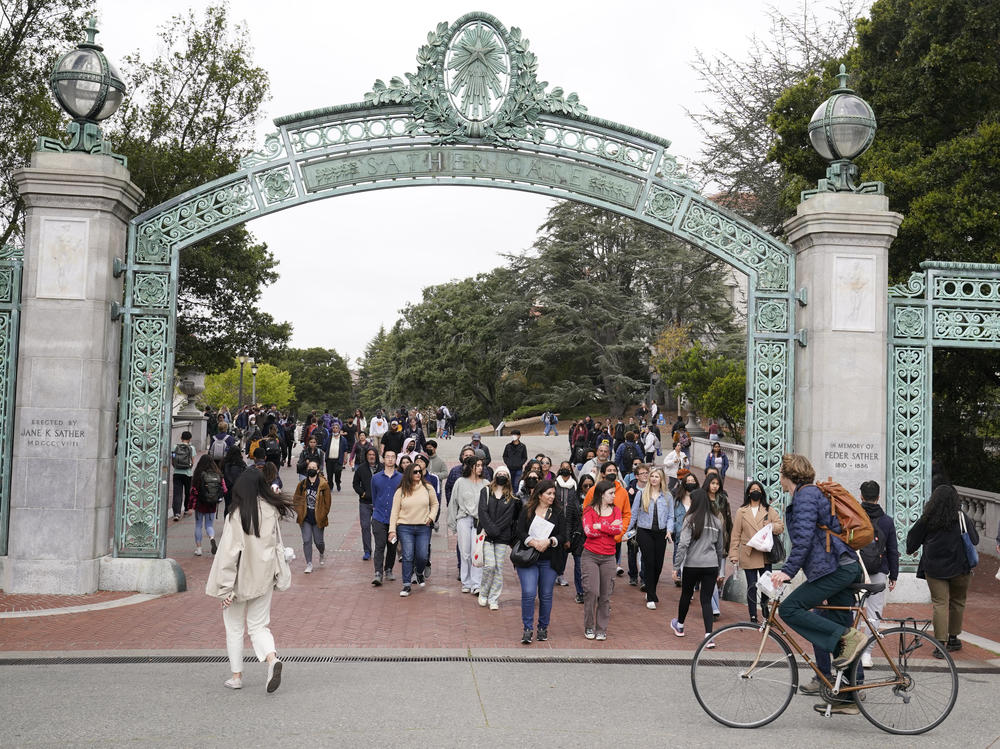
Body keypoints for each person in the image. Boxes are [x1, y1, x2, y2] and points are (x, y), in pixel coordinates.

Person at [769, 454, 867, 714]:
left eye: (781, 474)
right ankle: (850, 695)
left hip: (837, 569)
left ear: (789, 476)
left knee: (789, 610)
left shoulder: (805, 497)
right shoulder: (807, 495)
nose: (779, 479)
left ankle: (848, 638)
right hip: (839, 566)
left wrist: (786, 572)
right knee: (838, 625)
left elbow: (802, 540)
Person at [205, 464, 291, 692]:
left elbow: (228, 553)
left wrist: (224, 589)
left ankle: (236, 676)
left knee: (234, 628)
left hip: (238, 581)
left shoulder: (237, 514)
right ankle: (272, 659)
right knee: (259, 626)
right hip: (264, 579)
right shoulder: (272, 511)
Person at [906, 483, 978, 654]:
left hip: (935, 568)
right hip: (960, 567)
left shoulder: (928, 518)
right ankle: (953, 638)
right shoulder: (961, 517)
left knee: (940, 603)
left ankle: (940, 644)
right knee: (958, 602)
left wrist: (912, 549)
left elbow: (912, 541)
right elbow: (974, 540)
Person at [670, 488, 726, 645]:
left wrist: (676, 566)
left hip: (692, 564)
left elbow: (683, 544)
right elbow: (720, 548)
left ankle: (680, 625)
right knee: (706, 600)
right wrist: (719, 569)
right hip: (711, 565)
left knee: (686, 596)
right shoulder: (716, 521)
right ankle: (709, 636)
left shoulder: (690, 519)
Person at [513, 480, 566, 644]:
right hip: (528, 558)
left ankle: (543, 627)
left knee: (546, 594)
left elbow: (563, 535)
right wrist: (532, 541)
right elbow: (519, 531)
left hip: (549, 559)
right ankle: (527, 628)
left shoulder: (557, 512)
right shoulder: (527, 509)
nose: (552, 496)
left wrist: (549, 542)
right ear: (540, 494)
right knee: (529, 593)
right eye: (549, 493)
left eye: (553, 493)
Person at [728, 480, 784, 623]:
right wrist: (734, 554)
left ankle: (765, 610)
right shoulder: (742, 511)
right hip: (749, 553)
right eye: (752, 489)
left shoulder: (768, 509)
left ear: (762, 493)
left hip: (765, 554)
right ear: (748, 493)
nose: (755, 491)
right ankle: (753, 615)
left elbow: (780, 526)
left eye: (758, 489)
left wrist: (771, 525)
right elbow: (736, 534)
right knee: (752, 586)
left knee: (766, 585)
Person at [858, 480, 899, 667]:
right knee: (874, 613)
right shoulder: (887, 521)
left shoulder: (855, 516)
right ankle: (867, 653)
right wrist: (894, 575)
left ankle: (854, 650)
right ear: (878, 497)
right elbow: (892, 550)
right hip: (879, 570)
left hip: (857, 569)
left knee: (853, 612)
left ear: (861, 496)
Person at [388, 463, 438, 597]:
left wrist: (431, 517)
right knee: (408, 555)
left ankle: (419, 572)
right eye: (415, 472)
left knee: (422, 555)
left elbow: (435, 504)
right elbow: (394, 511)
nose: (418, 474)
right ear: (409, 473)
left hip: (423, 527)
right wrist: (392, 530)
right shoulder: (401, 491)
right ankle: (406, 584)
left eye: (419, 471)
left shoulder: (428, 488)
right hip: (405, 527)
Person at [581, 479, 622, 640]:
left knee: (605, 594)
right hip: (590, 554)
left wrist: (600, 526)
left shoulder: (616, 511)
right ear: (601, 494)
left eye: (614, 493)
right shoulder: (589, 510)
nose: (613, 496)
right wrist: (608, 528)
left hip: (609, 556)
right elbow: (589, 531)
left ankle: (601, 628)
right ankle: (589, 626)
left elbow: (618, 529)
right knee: (591, 591)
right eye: (611, 493)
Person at [627, 467, 673, 609]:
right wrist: (625, 532)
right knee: (649, 562)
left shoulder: (667, 496)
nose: (653, 478)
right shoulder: (641, 494)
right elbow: (633, 514)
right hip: (644, 531)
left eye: (656, 476)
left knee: (658, 565)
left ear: (661, 479)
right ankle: (651, 596)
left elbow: (671, 515)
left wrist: (669, 530)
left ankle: (651, 590)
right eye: (652, 476)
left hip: (661, 532)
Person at [477, 465, 519, 609]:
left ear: (508, 478)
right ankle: (483, 592)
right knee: (490, 565)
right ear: (494, 476)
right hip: (486, 535)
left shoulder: (512, 498)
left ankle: (494, 598)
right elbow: (482, 512)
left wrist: (495, 530)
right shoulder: (486, 491)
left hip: (502, 537)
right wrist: (490, 530)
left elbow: (507, 519)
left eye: (504, 474)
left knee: (499, 568)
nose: (502, 476)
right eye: (499, 473)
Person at [449, 455, 485, 595]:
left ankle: (476, 584)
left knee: (476, 552)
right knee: (465, 552)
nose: (480, 468)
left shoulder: (485, 483)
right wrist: (452, 523)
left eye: (482, 465)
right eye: (478, 465)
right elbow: (453, 503)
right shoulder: (460, 482)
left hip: (479, 521)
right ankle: (466, 581)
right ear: (471, 467)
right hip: (463, 519)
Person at [292, 460, 331, 574]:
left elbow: (327, 503)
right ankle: (309, 563)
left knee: (319, 541)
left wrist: (323, 514)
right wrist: (300, 511)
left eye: (314, 467)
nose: (311, 469)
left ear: (318, 470)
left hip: (318, 518)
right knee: (306, 540)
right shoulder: (302, 484)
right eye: (309, 467)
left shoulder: (324, 485)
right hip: (305, 518)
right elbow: (296, 499)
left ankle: (321, 552)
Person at [370, 450, 402, 586]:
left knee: (392, 545)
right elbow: (374, 495)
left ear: (396, 459)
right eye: (387, 457)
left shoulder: (401, 478)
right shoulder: (376, 478)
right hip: (378, 516)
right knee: (379, 545)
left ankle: (389, 568)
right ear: (383, 459)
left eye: (392, 457)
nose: (390, 459)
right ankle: (378, 572)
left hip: (395, 519)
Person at [704, 473, 732, 619]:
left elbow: (729, 523)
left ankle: (713, 605)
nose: (714, 486)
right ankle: (714, 607)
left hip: (721, 542)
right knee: (709, 576)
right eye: (712, 483)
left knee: (718, 577)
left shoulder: (723, 500)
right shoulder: (702, 499)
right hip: (705, 543)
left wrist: (729, 543)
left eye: (717, 483)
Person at [552, 461, 582, 589]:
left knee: (565, 548)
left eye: (567, 468)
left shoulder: (575, 485)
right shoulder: (555, 483)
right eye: (563, 467)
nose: (565, 470)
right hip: (557, 520)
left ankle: (560, 574)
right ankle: (554, 573)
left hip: (570, 520)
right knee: (555, 548)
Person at [190, 454, 226, 556]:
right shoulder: (218, 474)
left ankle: (199, 549)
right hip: (212, 504)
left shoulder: (198, 474)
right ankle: (212, 538)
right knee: (209, 525)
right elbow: (225, 489)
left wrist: (191, 504)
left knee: (198, 525)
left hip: (200, 503)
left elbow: (194, 490)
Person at [352, 447, 380, 561]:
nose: (371, 457)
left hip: (379, 503)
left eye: (373, 454)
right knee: (365, 527)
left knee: (378, 528)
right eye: (369, 455)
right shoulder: (361, 468)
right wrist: (362, 493)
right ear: (366, 456)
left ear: (376, 456)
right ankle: (367, 550)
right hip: (365, 503)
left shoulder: (382, 468)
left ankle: (380, 549)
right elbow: (355, 484)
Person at [170, 430, 195, 522]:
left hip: (177, 473)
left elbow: (172, 459)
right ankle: (186, 509)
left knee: (177, 493)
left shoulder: (175, 447)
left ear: (181, 438)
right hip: (187, 473)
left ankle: (176, 513)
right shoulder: (191, 448)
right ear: (190, 439)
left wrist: (176, 466)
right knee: (188, 492)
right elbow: (192, 461)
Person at [222, 445, 247, 515]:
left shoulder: (224, 463)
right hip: (239, 489)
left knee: (227, 506)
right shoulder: (242, 464)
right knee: (238, 507)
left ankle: (227, 522)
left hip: (227, 488)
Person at [325, 422, 348, 492]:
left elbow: (345, 450)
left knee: (338, 472)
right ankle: (330, 486)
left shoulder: (343, 439)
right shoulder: (329, 438)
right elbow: (324, 448)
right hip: (329, 459)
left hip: (338, 459)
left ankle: (338, 483)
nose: (334, 429)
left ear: (339, 429)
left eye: (336, 428)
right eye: (333, 428)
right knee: (329, 474)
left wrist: (345, 458)